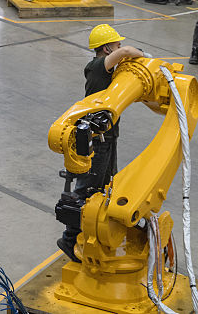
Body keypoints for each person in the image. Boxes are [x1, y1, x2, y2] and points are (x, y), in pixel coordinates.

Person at [56, 24, 145, 262]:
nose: (119, 46)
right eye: (115, 44)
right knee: (87, 190)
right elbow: (126, 51)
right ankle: (69, 238)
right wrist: (143, 55)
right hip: (97, 140)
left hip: (107, 136)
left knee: (106, 186)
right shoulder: (97, 67)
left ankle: (93, 233)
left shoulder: (105, 70)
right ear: (106, 49)